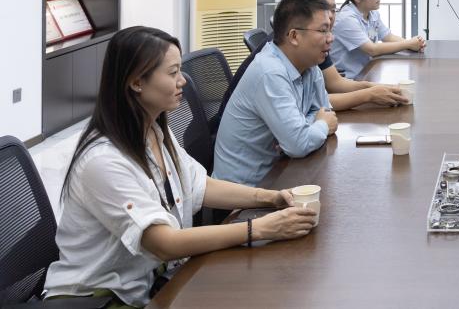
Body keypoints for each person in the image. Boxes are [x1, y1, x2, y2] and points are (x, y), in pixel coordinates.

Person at [44, 27, 316, 308]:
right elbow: (164, 243)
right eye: (173, 72)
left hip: (149, 283)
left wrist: (271, 197)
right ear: (136, 82)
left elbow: (200, 185)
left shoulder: (154, 130)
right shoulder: (103, 161)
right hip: (98, 299)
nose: (183, 80)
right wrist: (258, 228)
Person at [214, 0, 339, 187]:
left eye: (330, 30)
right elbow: (300, 143)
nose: (331, 38)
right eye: (323, 31)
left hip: (281, 171)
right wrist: (318, 126)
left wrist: (302, 131)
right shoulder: (270, 72)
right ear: (294, 36)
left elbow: (324, 111)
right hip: (245, 189)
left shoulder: (310, 65)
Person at [294, 0, 407, 109]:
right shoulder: (278, 64)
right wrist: (369, 94)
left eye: (333, 9)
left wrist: (380, 88)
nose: (330, 16)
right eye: (322, 8)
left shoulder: (319, 42)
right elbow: (312, 103)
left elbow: (335, 83)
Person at [331, 0, 426, 78]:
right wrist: (408, 44)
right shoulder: (346, 19)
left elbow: (388, 37)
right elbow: (372, 49)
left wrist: (414, 45)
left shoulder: (372, 13)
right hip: (349, 78)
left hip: (367, 72)